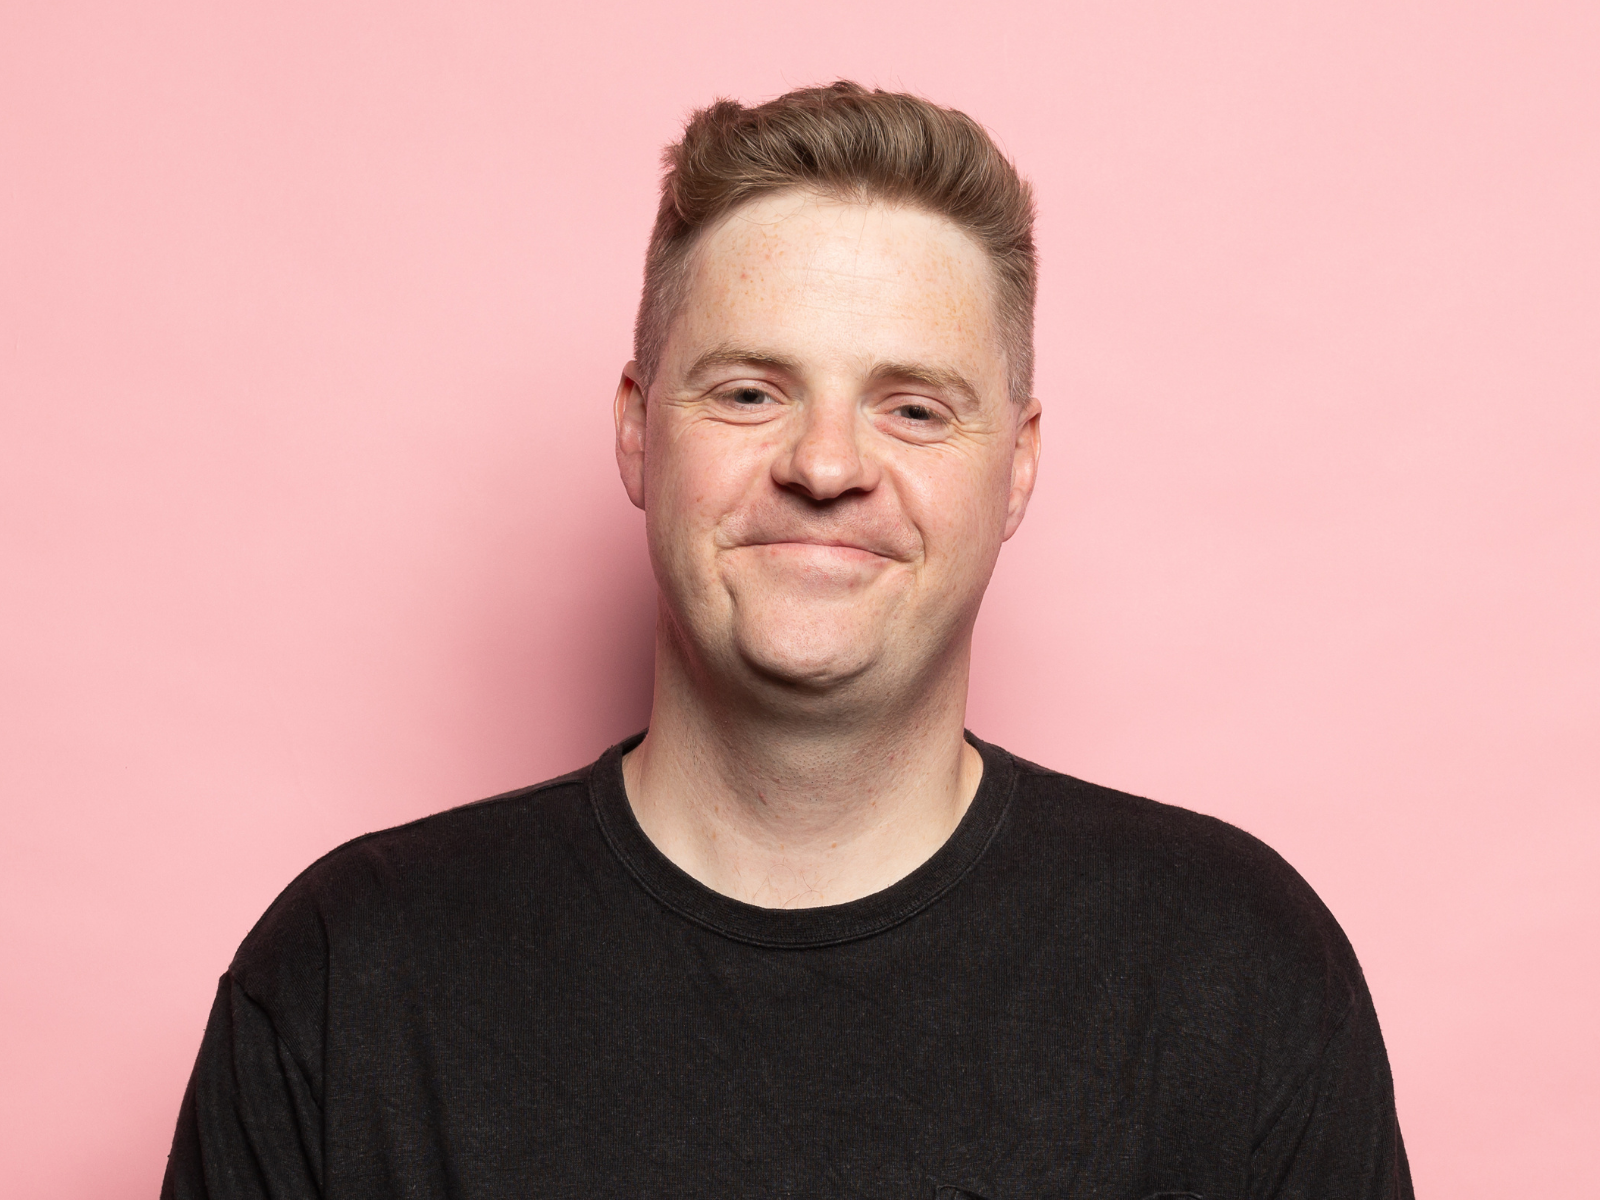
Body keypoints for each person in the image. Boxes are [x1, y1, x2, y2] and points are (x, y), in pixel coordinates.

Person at [163, 81, 1412, 1199]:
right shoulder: (350, 977)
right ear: (640, 431)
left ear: (1017, 467)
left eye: (912, 406)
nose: (825, 466)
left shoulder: (1234, 969)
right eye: (751, 391)